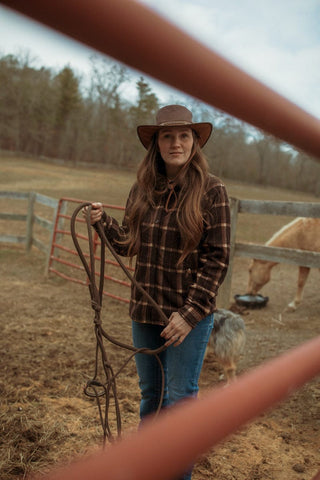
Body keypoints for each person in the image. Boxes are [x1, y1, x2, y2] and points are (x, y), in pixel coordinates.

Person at [84, 104, 230, 480]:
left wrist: (189, 315)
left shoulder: (213, 191)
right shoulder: (143, 189)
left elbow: (217, 260)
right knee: (151, 396)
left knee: (179, 400)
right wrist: (104, 224)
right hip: (145, 314)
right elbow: (130, 244)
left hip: (188, 317)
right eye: (168, 136)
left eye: (184, 136)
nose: (176, 143)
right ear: (157, 143)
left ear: (195, 143)